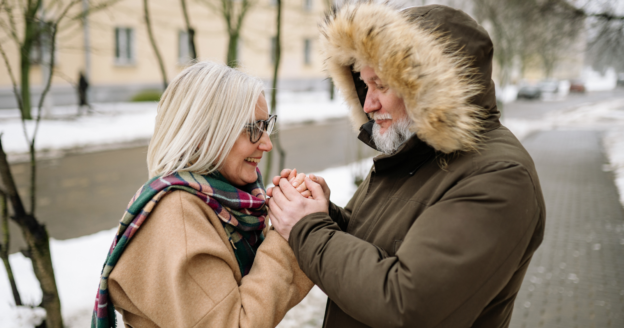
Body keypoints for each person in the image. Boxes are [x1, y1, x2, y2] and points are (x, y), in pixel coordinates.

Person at [267, 3, 546, 328]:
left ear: (430, 87)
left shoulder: (500, 175)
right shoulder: (412, 152)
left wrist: (308, 228)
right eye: (364, 85)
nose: (368, 105)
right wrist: (323, 214)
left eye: (381, 85)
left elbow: (407, 304)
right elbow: (373, 245)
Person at [92, 61, 313, 328]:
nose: (266, 143)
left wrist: (298, 214)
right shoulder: (179, 214)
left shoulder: (222, 204)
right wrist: (289, 232)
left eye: (266, 125)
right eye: (253, 128)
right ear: (204, 135)